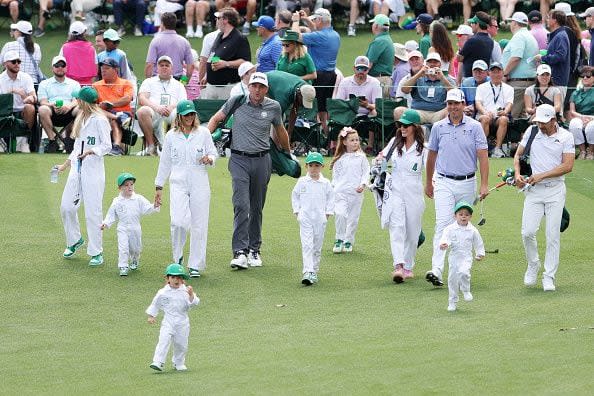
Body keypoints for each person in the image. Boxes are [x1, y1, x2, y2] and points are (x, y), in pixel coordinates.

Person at [206, 72, 290, 269]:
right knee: (241, 204)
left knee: (256, 207)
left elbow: (280, 130)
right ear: (249, 86)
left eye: (261, 87)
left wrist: (288, 153)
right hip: (238, 159)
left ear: (266, 89)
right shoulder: (237, 101)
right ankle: (240, 251)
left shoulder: (273, 107)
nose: (257, 90)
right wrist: (204, 138)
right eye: (254, 86)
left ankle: (254, 249)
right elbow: (216, 119)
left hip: (262, 160)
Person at [424, 88, 489, 287]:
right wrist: (428, 182)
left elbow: (483, 156)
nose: (453, 107)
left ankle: (461, 268)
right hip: (443, 181)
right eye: (450, 103)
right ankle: (437, 269)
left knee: (461, 225)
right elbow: (432, 156)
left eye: (456, 103)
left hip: (468, 182)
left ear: (463, 105)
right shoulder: (438, 127)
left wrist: (484, 183)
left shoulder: (475, 126)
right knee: (442, 224)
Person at [513, 104, 574, 292]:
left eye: (544, 122)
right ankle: (533, 265)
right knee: (527, 232)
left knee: (552, 235)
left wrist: (541, 175)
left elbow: (568, 166)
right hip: (533, 191)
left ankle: (549, 276)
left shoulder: (566, 136)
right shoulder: (531, 131)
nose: (541, 125)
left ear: (554, 120)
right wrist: (517, 175)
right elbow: (518, 155)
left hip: (555, 190)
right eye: (539, 121)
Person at [155, 100, 217, 278]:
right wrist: (159, 186)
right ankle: (178, 258)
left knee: (199, 224)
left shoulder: (203, 133)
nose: (190, 117)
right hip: (178, 183)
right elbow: (165, 162)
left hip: (199, 182)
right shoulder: (171, 136)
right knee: (178, 221)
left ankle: (196, 264)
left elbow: (213, 153)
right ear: (179, 116)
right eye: (186, 114)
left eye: (192, 114)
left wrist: (209, 159)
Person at [55, 87, 111, 266]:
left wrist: (91, 151)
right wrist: (65, 165)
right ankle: (74, 240)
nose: (76, 102)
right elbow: (77, 146)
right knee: (66, 207)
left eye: (78, 99)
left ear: (84, 102)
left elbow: (107, 145)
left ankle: (96, 252)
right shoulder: (81, 118)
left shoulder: (100, 120)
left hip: (93, 170)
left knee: (93, 211)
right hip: (77, 169)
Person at [377, 109, 426, 283]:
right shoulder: (394, 142)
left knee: (413, 233)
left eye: (406, 125)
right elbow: (382, 157)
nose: (402, 128)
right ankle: (398, 265)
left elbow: (432, 170)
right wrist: (379, 160)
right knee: (396, 227)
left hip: (414, 193)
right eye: (400, 125)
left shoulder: (423, 148)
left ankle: (408, 266)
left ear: (415, 127)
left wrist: (433, 184)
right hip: (395, 191)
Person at [291, 8, 340, 135]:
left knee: (312, 107)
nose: (313, 22)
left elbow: (295, 37)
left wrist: (296, 22)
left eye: (314, 20)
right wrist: (307, 19)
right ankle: (326, 134)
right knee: (323, 108)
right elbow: (316, 32)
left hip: (319, 76)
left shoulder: (320, 36)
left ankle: (314, 135)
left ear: (319, 20)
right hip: (330, 75)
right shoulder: (335, 35)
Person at [101, 173, 160, 276]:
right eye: (126, 185)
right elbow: (111, 214)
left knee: (135, 249)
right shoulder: (117, 201)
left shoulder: (138, 199)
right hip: (122, 228)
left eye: (131, 184)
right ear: (120, 188)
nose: (129, 187)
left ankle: (134, 259)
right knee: (123, 248)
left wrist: (154, 205)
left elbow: (147, 209)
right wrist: (105, 223)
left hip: (135, 228)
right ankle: (123, 266)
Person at [147, 263, 199, 372]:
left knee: (181, 344)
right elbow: (155, 303)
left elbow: (194, 303)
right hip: (168, 321)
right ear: (167, 279)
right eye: (173, 277)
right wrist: (151, 315)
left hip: (182, 322)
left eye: (179, 277)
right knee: (163, 340)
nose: (176, 280)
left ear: (183, 280)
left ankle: (179, 362)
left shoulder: (186, 291)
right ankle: (158, 362)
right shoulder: (162, 292)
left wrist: (191, 295)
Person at [292, 152, 334, 285]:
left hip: (320, 219)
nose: (314, 168)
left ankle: (314, 270)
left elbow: (330, 199)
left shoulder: (325, 183)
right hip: (305, 218)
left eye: (317, 166)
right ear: (306, 167)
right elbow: (295, 195)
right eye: (311, 165)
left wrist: (327, 214)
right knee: (307, 244)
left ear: (322, 167)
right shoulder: (302, 181)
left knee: (317, 245)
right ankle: (307, 271)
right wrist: (297, 211)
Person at [136, 55, 188, 156]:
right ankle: (152, 146)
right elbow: (142, 98)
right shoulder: (149, 81)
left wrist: (171, 107)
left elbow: (183, 101)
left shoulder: (179, 85)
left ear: (171, 68)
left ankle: (170, 148)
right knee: (142, 111)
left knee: (180, 114)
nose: (164, 67)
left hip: (172, 112)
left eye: (167, 65)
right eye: (161, 65)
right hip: (154, 111)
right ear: (157, 68)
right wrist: (157, 107)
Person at [439, 201, 485, 312]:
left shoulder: (473, 230)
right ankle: (452, 302)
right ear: (455, 216)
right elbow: (445, 238)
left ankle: (465, 290)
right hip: (454, 257)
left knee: (464, 272)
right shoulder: (449, 229)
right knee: (452, 280)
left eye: (466, 214)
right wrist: (444, 244)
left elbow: (478, 243)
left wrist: (480, 253)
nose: (463, 216)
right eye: (461, 214)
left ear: (470, 217)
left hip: (466, 257)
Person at [329, 127, 369, 254]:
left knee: (353, 218)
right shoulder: (339, 158)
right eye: (352, 140)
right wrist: (333, 188)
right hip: (340, 192)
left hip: (356, 193)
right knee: (340, 214)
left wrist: (363, 185)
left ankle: (348, 241)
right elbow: (335, 176)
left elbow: (366, 173)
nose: (355, 142)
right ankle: (339, 239)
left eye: (357, 140)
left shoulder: (361, 157)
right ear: (344, 142)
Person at [334, 56, 382, 153]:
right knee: (338, 114)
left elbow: (378, 105)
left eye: (364, 69)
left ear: (368, 69)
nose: (361, 71)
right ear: (354, 69)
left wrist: (367, 105)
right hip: (349, 113)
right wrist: (351, 103)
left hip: (367, 114)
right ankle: (338, 146)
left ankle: (370, 146)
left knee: (374, 112)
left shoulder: (375, 82)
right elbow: (339, 103)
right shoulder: (345, 81)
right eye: (359, 68)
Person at [202, 8, 251, 100]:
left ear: (225, 20)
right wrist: (207, 74)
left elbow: (245, 62)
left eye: (218, 18)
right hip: (212, 85)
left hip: (227, 87)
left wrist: (226, 64)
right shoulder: (220, 35)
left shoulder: (240, 38)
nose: (216, 20)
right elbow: (215, 55)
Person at [395, 52, 455, 125]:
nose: (432, 64)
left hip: (438, 112)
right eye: (430, 62)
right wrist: (419, 74)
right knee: (398, 111)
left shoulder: (447, 78)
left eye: (435, 62)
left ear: (440, 64)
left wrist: (442, 78)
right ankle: (403, 135)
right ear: (426, 64)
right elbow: (404, 90)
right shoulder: (418, 76)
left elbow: (455, 94)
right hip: (419, 112)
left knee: (451, 110)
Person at [37, 55, 81, 153]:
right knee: (42, 109)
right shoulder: (44, 83)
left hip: (69, 111)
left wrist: (68, 106)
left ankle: (71, 140)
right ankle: (52, 141)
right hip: (51, 111)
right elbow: (43, 101)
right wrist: (52, 105)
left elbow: (77, 100)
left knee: (81, 109)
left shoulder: (74, 83)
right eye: (57, 65)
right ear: (52, 68)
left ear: (66, 67)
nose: (60, 68)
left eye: (62, 65)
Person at [92, 57, 135, 156]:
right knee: (96, 110)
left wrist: (111, 104)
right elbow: (93, 104)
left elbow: (127, 99)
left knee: (113, 121)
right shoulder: (96, 85)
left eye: (107, 68)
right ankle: (118, 119)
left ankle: (116, 146)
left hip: (124, 112)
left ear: (116, 70)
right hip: (103, 113)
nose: (103, 70)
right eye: (102, 68)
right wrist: (101, 105)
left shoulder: (125, 83)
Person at [501, 12, 539, 119]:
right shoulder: (529, 36)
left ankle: (509, 136)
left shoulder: (519, 36)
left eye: (511, 22)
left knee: (510, 116)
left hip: (518, 82)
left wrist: (504, 74)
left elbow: (516, 58)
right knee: (521, 116)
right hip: (527, 81)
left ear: (514, 23)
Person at [475, 62, 514, 158]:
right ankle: (482, 148)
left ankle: (497, 149)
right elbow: (478, 103)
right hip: (484, 114)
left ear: (502, 72)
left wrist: (505, 112)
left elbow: (509, 103)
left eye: (498, 72)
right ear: (489, 73)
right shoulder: (481, 87)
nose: (496, 74)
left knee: (504, 119)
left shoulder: (509, 88)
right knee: (485, 118)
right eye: (493, 72)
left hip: (499, 116)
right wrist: (485, 112)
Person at [0, 50, 36, 153]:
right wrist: (8, 93)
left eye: (18, 61)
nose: (17, 64)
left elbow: (34, 97)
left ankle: (23, 141)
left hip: (21, 110)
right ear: (5, 64)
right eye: (13, 62)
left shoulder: (26, 77)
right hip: (3, 112)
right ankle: (1, 141)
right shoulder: (0, 79)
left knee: (30, 107)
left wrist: (26, 96)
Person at [145, 13, 194, 81]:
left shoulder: (155, 41)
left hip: (158, 79)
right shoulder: (184, 41)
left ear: (162, 24)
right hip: (177, 80)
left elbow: (149, 65)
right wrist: (184, 82)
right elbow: (190, 66)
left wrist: (148, 83)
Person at [533, 10, 570, 98]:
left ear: (555, 20)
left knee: (556, 111)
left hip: (558, 81)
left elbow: (560, 56)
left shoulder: (560, 36)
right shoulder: (558, 35)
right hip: (555, 81)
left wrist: (543, 58)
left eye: (549, 18)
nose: (547, 20)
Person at [1, 21, 43, 88]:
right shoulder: (36, 47)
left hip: (13, 84)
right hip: (33, 84)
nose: (14, 32)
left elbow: (2, 63)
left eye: (15, 30)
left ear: (19, 32)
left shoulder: (8, 45)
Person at [457, 12, 495, 84]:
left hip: (470, 79)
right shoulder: (490, 41)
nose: (471, 25)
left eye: (472, 23)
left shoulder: (472, 40)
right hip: (484, 79)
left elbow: (459, 58)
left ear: (477, 24)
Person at [568, 66, 594, 159]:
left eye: (588, 76)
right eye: (583, 76)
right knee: (574, 124)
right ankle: (582, 151)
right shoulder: (576, 93)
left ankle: (591, 152)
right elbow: (572, 111)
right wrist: (582, 117)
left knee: (591, 127)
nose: (585, 78)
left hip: (592, 118)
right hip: (579, 116)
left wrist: (591, 118)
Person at [59, 21, 97, 86]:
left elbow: (59, 66)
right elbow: (96, 67)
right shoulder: (91, 48)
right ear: (83, 32)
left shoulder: (64, 47)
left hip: (69, 85)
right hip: (87, 85)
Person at [366, 14, 394, 98]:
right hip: (383, 79)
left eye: (373, 23)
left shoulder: (379, 41)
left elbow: (368, 65)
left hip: (378, 80)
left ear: (376, 26)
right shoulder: (387, 39)